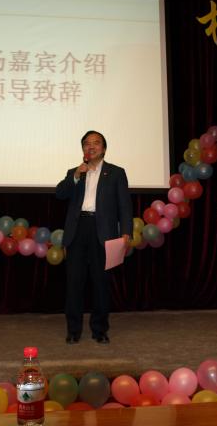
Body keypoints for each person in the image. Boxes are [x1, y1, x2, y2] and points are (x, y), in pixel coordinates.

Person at [56, 131, 133, 344]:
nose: (91, 146)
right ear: (83, 149)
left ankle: (100, 330)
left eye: (96, 143)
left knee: (101, 284)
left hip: (103, 232)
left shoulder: (116, 173)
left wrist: (126, 232)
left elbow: (125, 206)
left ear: (104, 148)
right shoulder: (75, 172)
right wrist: (76, 176)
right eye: (87, 144)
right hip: (77, 230)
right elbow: (60, 193)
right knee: (74, 284)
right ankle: (73, 331)